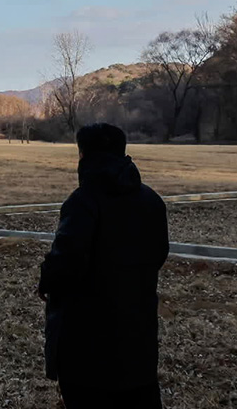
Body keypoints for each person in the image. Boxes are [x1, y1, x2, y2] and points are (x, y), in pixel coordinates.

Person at [39, 123, 169, 408]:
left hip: (87, 350)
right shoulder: (152, 201)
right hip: (139, 343)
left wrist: (45, 279)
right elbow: (159, 254)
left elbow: (66, 264)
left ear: (83, 156)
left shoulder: (83, 202)